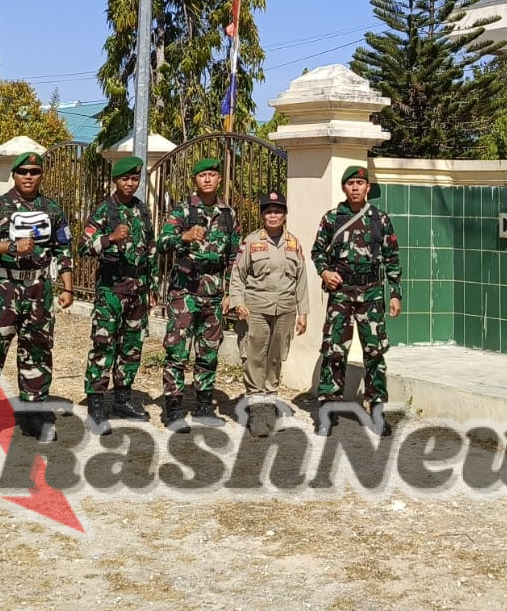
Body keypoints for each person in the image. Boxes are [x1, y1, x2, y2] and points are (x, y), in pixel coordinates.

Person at [0, 149, 73, 442]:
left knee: (37, 352)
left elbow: (63, 249)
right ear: (14, 175)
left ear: (42, 175)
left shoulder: (52, 209)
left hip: (39, 290)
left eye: (34, 172)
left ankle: (32, 415)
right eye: (23, 172)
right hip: (4, 289)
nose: (29, 176)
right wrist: (12, 247)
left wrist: (67, 287)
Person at [312, 164, 401, 436]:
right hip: (341, 293)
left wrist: (395, 293)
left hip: (371, 294)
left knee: (374, 353)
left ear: (367, 188)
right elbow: (317, 252)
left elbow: (392, 258)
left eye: (360, 184)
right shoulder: (332, 218)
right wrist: (325, 272)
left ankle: (377, 410)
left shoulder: (380, 219)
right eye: (350, 183)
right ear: (344, 188)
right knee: (334, 351)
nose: (355, 188)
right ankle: (327, 411)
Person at [157, 156, 242, 431]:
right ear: (195, 180)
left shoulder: (228, 214)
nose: (207, 179)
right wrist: (184, 236)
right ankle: (174, 408)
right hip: (185, 291)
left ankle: (204, 406)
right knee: (177, 351)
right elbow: (162, 243)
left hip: (214, 292)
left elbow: (234, 256)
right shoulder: (183, 211)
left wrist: (230, 291)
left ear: (219, 179)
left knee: (209, 352)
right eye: (202, 175)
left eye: (212, 174)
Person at [80, 154, 155, 433]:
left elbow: (150, 250)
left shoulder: (142, 210)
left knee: (131, 346)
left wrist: (152, 286)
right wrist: (109, 238)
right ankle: (96, 404)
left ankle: (123, 399)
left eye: (135, 179)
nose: (130, 183)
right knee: (104, 344)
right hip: (111, 289)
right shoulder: (104, 210)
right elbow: (84, 246)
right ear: (115, 181)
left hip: (137, 289)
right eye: (125, 178)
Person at [229, 189, 311, 427]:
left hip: (285, 310)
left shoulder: (293, 243)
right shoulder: (251, 242)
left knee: (275, 358)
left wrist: (303, 312)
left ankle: (270, 404)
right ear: (262, 215)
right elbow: (238, 275)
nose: (273, 216)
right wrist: (238, 302)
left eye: (277, 211)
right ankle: (257, 411)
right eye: (268, 212)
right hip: (255, 309)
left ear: (285, 215)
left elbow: (301, 279)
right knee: (254, 358)